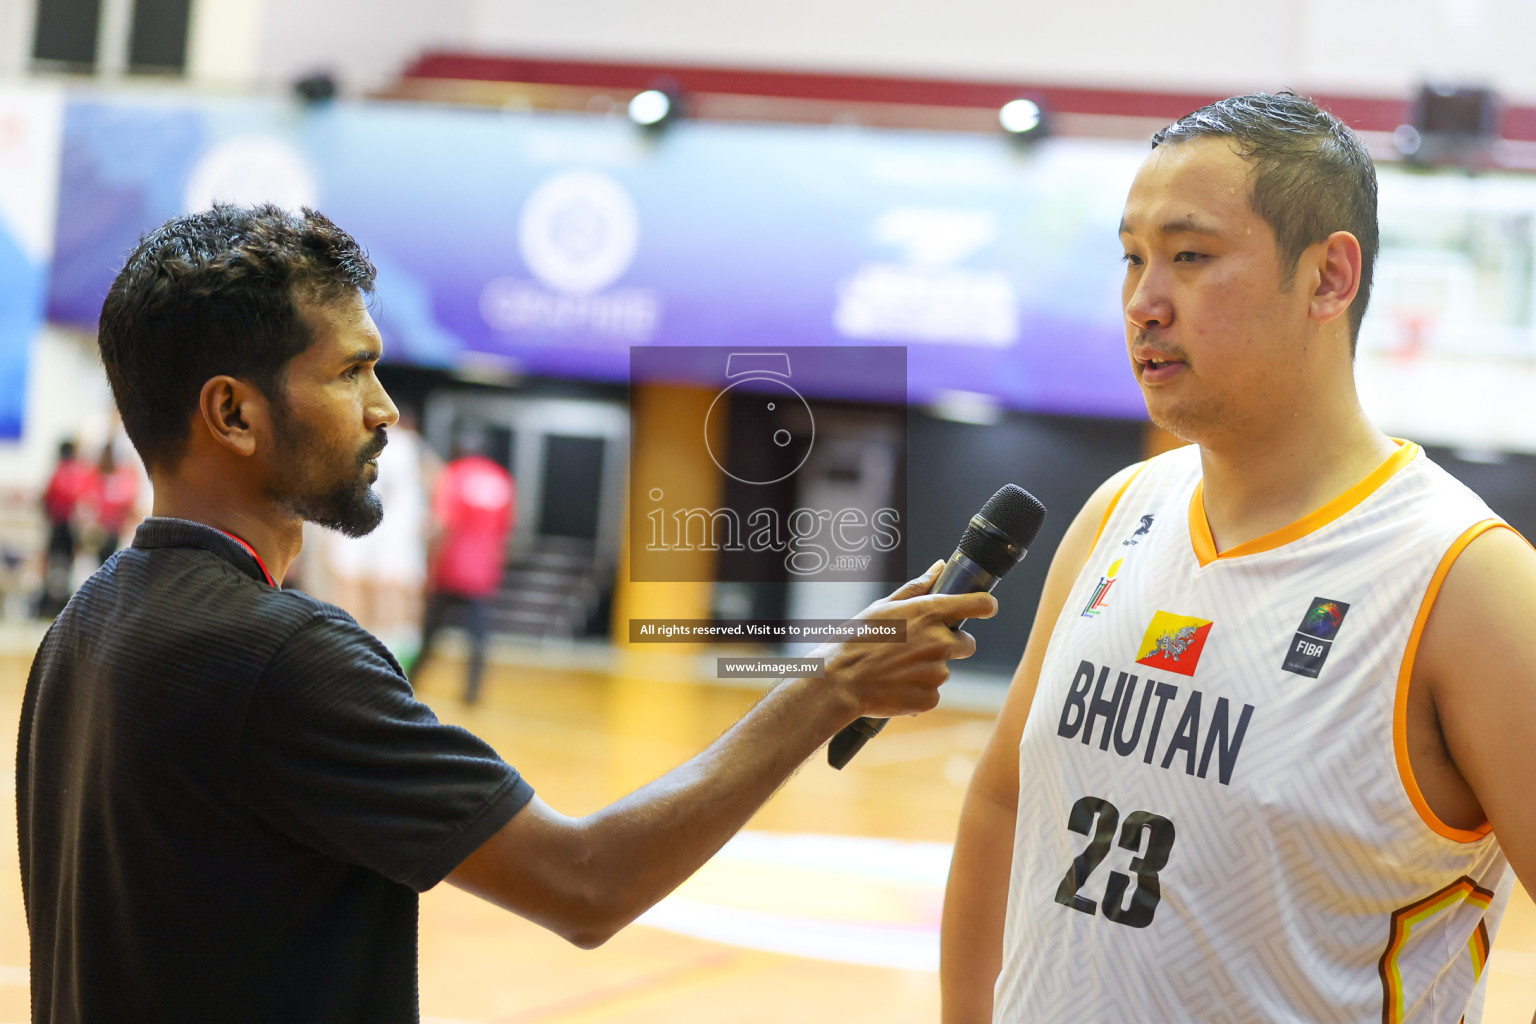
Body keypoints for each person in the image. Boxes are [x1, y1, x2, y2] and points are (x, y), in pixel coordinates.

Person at [18, 203, 995, 1024]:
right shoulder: (279, 659)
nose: (386, 408)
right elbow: (586, 881)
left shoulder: (87, 625)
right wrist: (832, 687)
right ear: (233, 413)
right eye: (350, 372)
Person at [941, 92, 1536, 1023]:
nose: (1144, 300)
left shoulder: (1467, 581)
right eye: (1132, 257)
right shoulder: (1116, 516)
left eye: (1190, 255)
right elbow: (1003, 807)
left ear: (1330, 279)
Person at [411, 427, 513, 704]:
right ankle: (473, 694)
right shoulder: (501, 479)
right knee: (479, 636)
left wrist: (430, 568)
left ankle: (410, 682)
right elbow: (504, 530)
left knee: (430, 632)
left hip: (450, 567)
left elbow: (443, 525)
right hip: (482, 571)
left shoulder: (453, 476)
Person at [35, 439, 91, 617]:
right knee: (68, 568)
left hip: (58, 525)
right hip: (72, 529)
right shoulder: (80, 473)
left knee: (54, 565)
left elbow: (46, 500)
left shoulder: (58, 472)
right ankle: (63, 606)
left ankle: (49, 604)